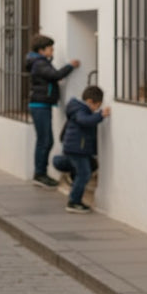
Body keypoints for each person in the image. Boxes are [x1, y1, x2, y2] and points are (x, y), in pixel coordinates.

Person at [25, 34, 80, 189]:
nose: (53, 51)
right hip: (40, 106)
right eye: (50, 48)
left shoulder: (39, 62)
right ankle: (40, 174)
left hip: (42, 105)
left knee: (45, 140)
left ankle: (41, 173)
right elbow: (55, 75)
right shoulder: (40, 63)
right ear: (42, 50)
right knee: (45, 140)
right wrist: (70, 66)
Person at [52, 84, 110, 214]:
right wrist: (101, 115)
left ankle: (59, 163)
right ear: (90, 101)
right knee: (84, 174)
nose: (97, 109)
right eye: (97, 106)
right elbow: (85, 121)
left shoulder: (79, 108)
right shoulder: (80, 110)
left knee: (89, 166)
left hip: (76, 148)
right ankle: (74, 202)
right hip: (77, 149)